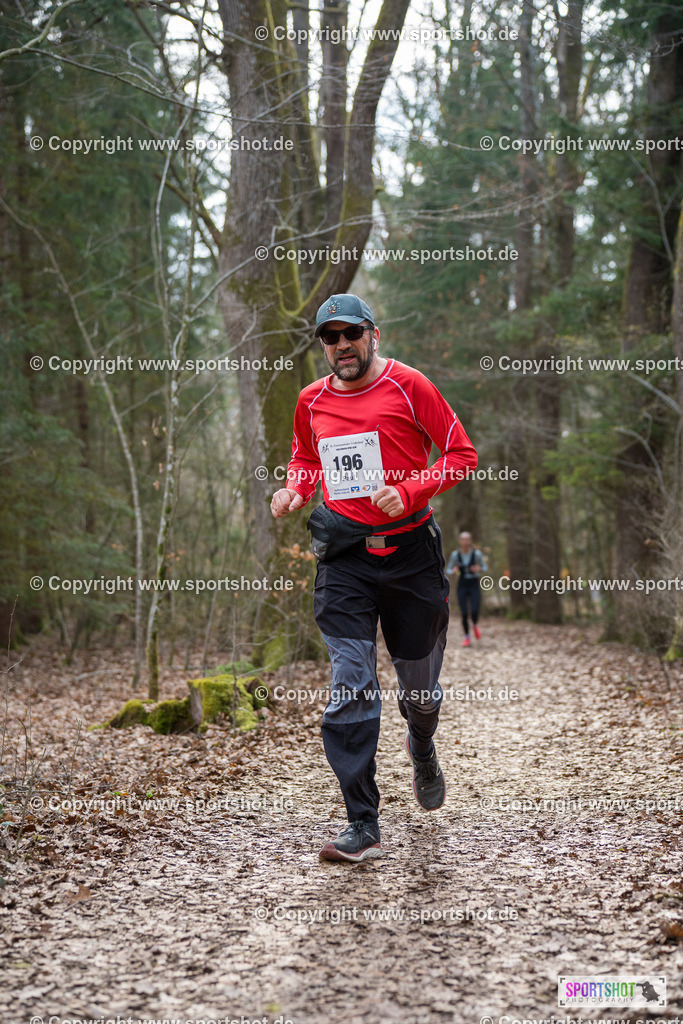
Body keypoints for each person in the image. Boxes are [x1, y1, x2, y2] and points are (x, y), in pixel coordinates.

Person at [270, 293, 477, 863]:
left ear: (373, 334)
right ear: (323, 345)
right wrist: (295, 489)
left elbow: (461, 455)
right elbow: (307, 459)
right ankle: (363, 821)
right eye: (330, 337)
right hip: (345, 558)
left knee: (421, 691)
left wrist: (409, 490)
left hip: (411, 554)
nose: (342, 345)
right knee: (352, 681)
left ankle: (423, 742)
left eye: (351, 334)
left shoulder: (411, 386)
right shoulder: (310, 401)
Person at [446, 532, 487, 647]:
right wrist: (453, 571)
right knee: (464, 612)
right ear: (460, 541)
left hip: (474, 583)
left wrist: (479, 569)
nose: (465, 542)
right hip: (462, 584)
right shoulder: (455, 555)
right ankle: (467, 637)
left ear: (470, 541)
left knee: (474, 610)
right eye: (463, 540)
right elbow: (448, 569)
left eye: (467, 540)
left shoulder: (476, 554)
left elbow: (484, 567)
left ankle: (474, 624)